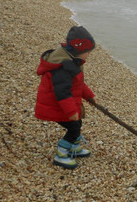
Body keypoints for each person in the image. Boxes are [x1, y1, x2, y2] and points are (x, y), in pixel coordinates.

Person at [35, 25, 97, 169]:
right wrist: (71, 112)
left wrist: (90, 96)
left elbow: (78, 84)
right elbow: (62, 93)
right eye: (87, 52)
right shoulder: (63, 68)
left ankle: (74, 147)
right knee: (74, 128)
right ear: (78, 50)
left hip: (63, 104)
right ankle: (61, 154)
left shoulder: (72, 62)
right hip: (56, 106)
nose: (88, 55)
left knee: (77, 125)